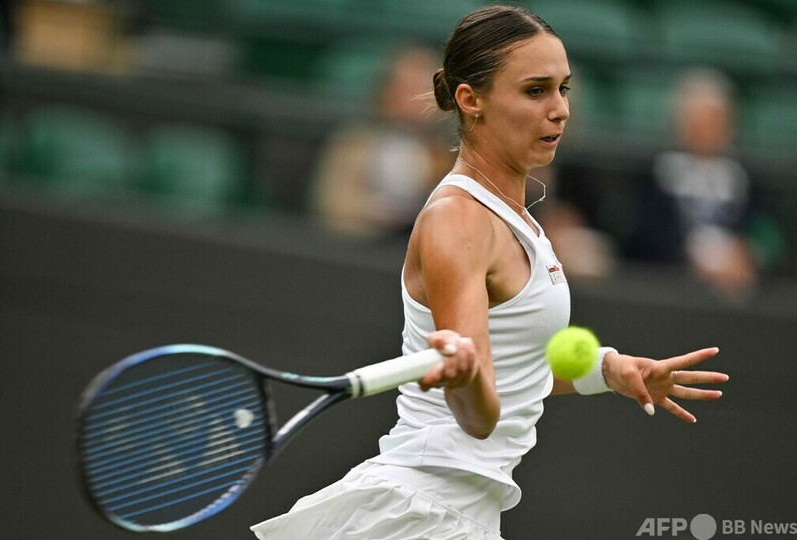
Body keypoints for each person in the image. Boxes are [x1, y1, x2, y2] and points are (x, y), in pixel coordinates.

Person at [251, 6, 728, 539]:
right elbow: (476, 419)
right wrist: (467, 376)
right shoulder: (457, 220)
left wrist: (607, 371)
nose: (560, 110)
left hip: (458, 513)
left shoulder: (516, 216)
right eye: (535, 91)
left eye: (564, 89)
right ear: (470, 100)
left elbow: (511, 367)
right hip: (423, 517)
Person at [628, 68, 763, 301]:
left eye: (716, 122)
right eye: (701, 122)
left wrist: (745, 254)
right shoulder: (656, 174)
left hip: (735, 291)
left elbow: (764, 234)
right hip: (669, 287)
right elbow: (642, 235)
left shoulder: (745, 179)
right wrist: (692, 256)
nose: (709, 131)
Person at [310, 44, 453, 239]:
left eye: (424, 89)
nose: (416, 98)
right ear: (386, 90)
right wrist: (376, 212)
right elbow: (333, 204)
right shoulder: (354, 140)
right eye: (406, 89)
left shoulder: (450, 150)